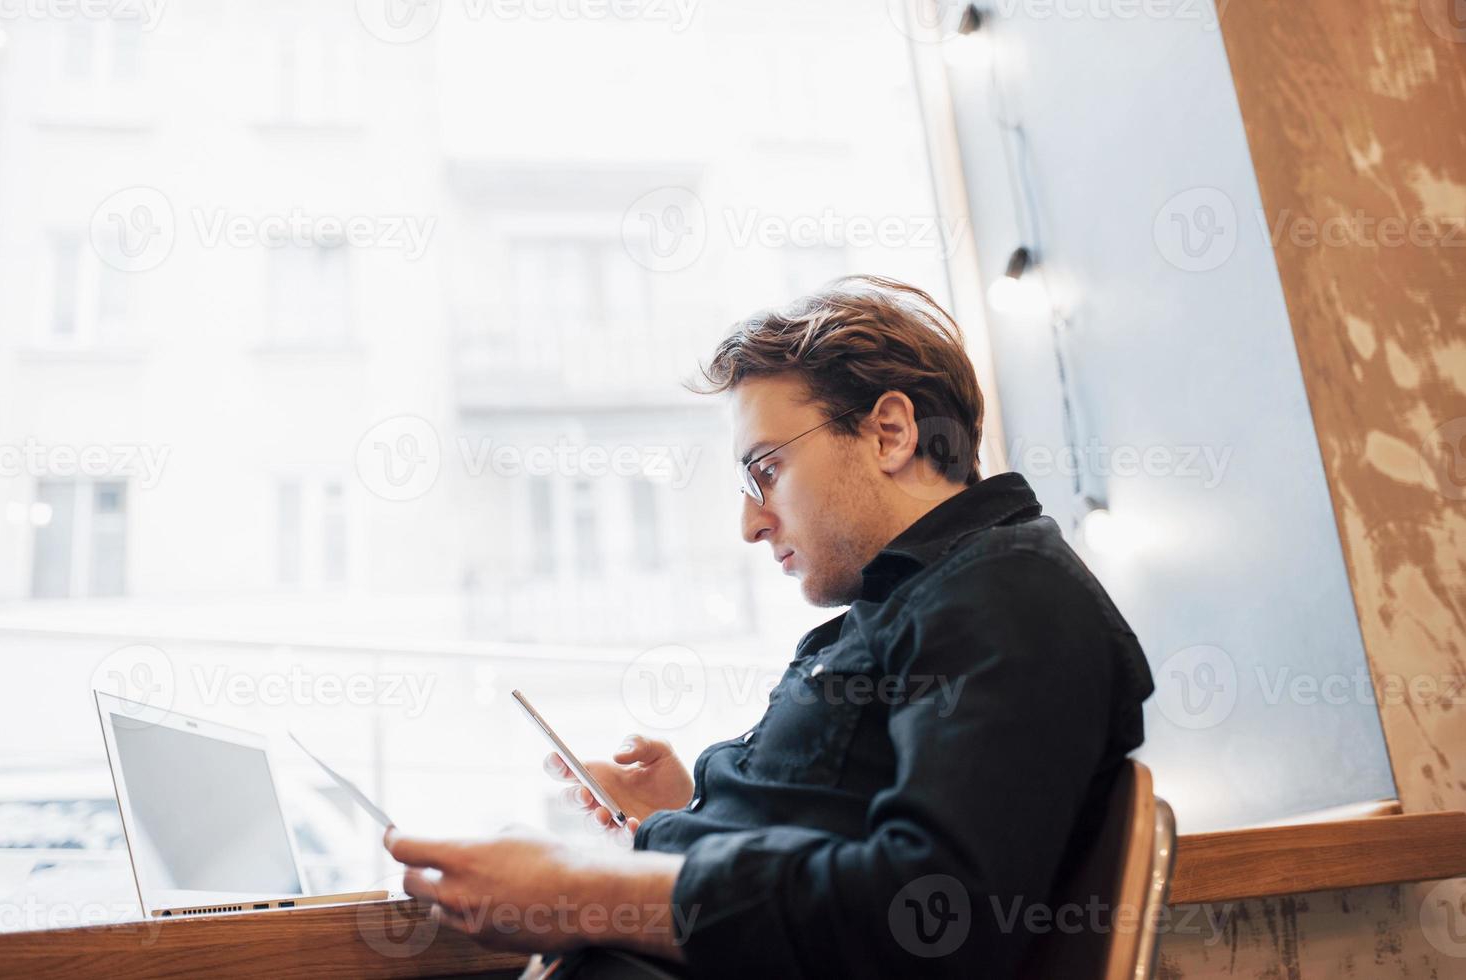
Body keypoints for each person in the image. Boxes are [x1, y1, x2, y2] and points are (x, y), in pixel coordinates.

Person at [385, 275, 1156, 979]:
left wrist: (584, 891)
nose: (751, 524)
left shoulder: (1010, 594)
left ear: (890, 432)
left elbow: (927, 913)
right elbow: (843, 837)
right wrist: (685, 817)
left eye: (766, 470)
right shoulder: (914, 600)